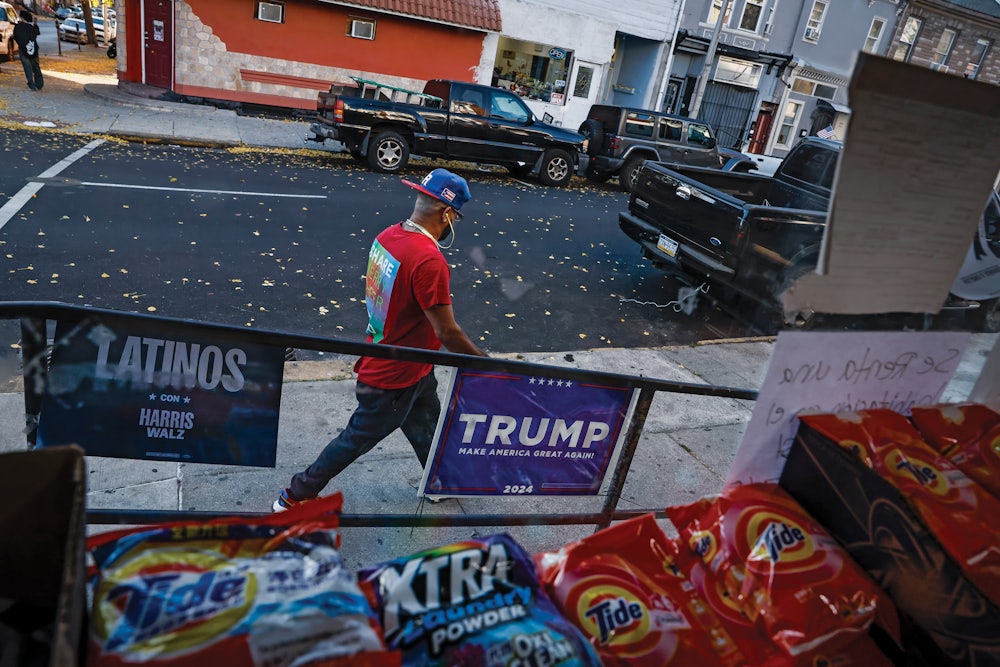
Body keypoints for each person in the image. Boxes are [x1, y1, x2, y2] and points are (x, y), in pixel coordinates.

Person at [274, 168, 488, 511]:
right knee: (355, 439)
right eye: (456, 217)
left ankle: (439, 480)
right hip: (394, 377)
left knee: (429, 425)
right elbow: (447, 331)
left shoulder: (388, 236)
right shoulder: (429, 260)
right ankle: (296, 495)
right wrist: (483, 363)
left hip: (411, 363)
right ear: (447, 213)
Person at [13, 10, 43, 91]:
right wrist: (35, 23)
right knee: (36, 66)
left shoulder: (18, 27)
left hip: (23, 50)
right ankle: (39, 84)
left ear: (22, 18)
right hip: (34, 49)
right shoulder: (31, 27)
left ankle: (31, 84)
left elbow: (16, 37)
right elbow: (37, 33)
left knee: (27, 67)